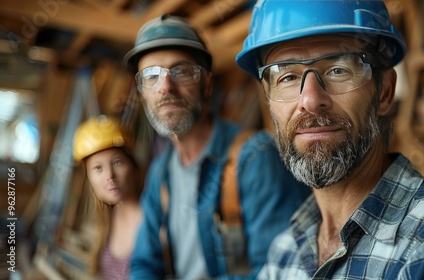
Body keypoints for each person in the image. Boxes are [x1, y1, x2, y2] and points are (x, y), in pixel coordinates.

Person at [236, 0, 424, 279]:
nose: (310, 100)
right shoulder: (284, 254)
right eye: (287, 76)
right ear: (269, 103)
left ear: (384, 92)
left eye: (338, 70)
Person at [123, 15, 310, 279]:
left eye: (181, 71)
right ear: (142, 91)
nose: (165, 87)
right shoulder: (159, 174)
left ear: (207, 83)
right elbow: (144, 264)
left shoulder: (254, 158)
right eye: (151, 75)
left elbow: (276, 271)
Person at [73, 115, 143, 279]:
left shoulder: (153, 218)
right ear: (88, 177)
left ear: (133, 166)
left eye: (117, 162)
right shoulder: (106, 219)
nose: (110, 176)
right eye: (98, 168)